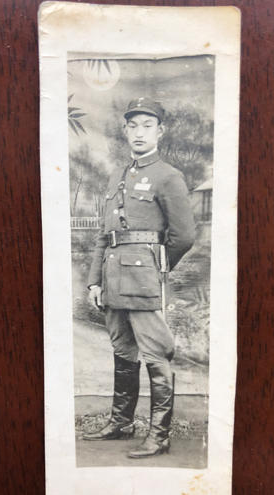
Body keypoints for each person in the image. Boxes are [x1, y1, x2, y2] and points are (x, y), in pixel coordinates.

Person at [83, 97, 195, 458]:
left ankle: (159, 436)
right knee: (122, 349)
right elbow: (105, 235)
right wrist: (95, 282)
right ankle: (121, 423)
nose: (139, 132)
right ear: (125, 130)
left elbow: (183, 236)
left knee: (156, 353)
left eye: (147, 125)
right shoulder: (117, 175)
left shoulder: (168, 176)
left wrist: (155, 267)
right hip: (112, 279)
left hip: (144, 281)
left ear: (160, 131)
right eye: (133, 126)